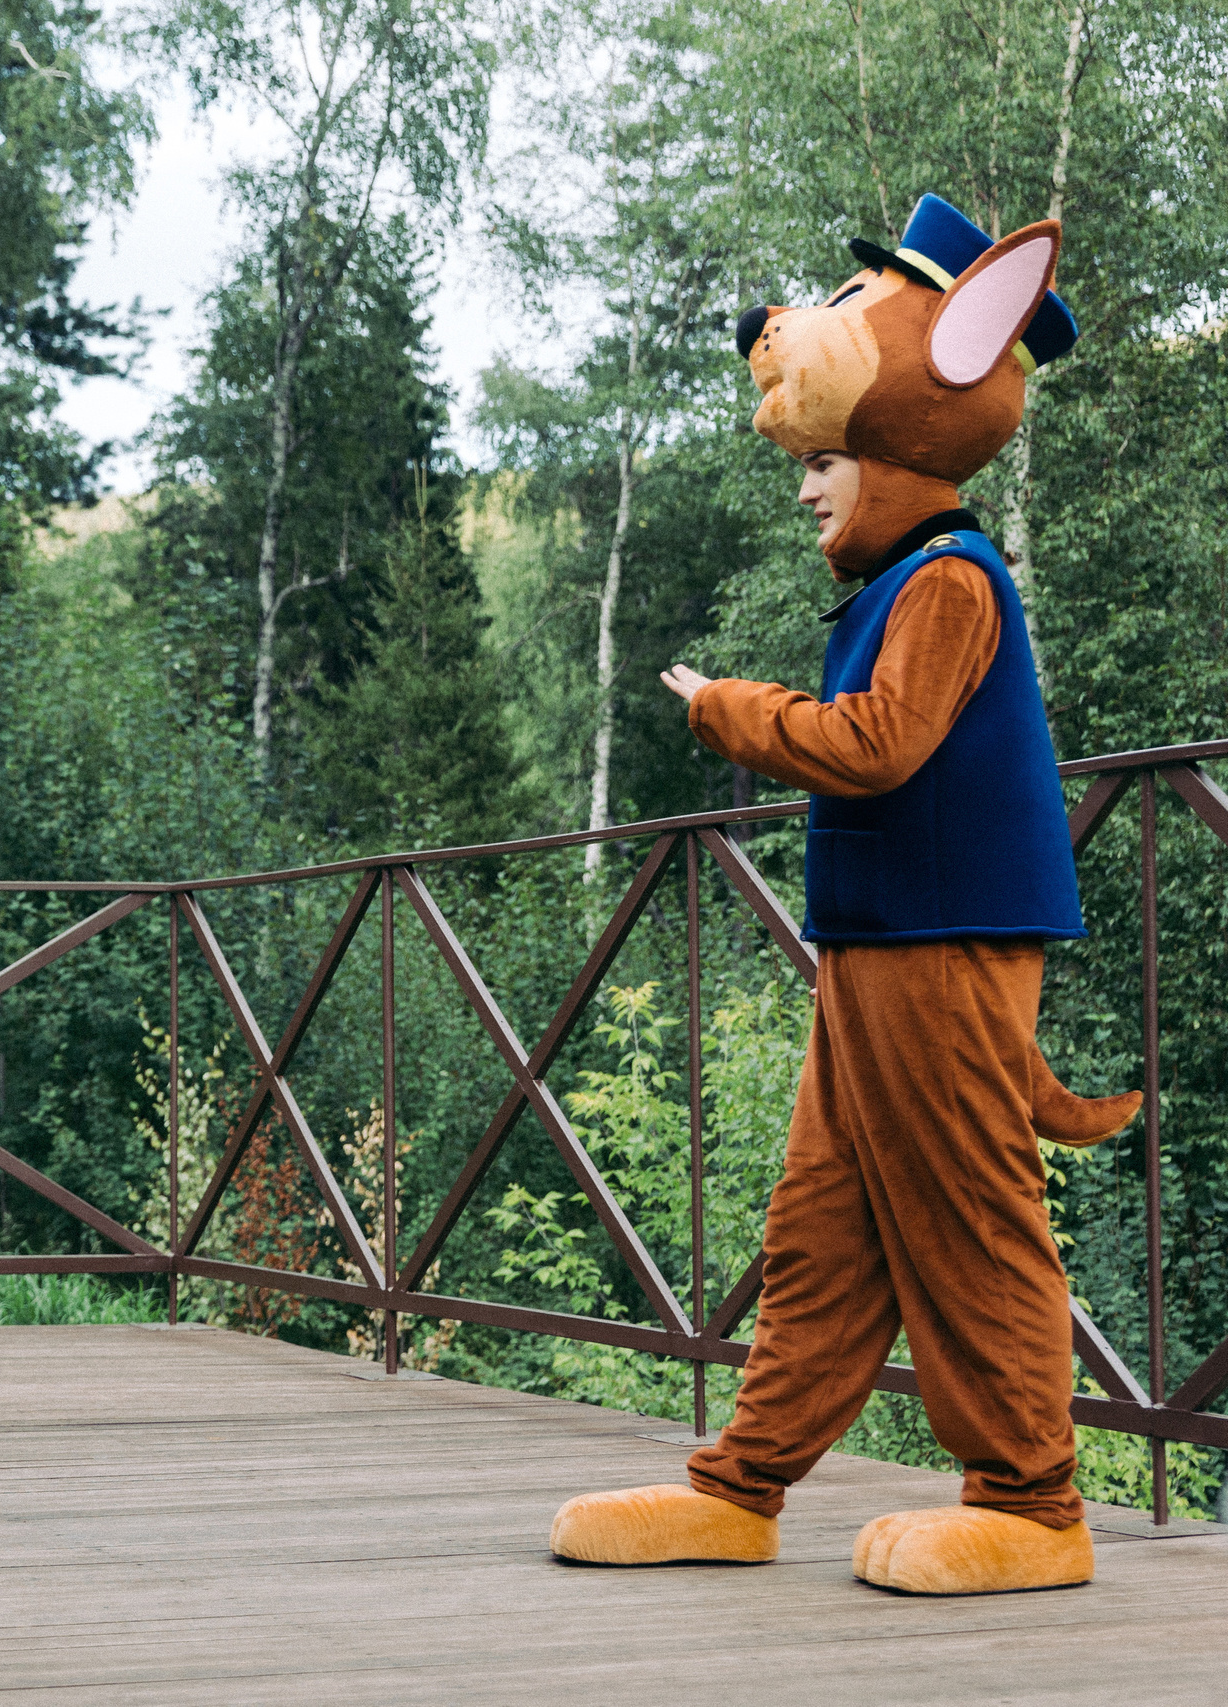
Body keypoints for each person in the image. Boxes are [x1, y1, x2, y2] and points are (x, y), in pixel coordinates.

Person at [549, 195, 1139, 1596]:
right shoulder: (898, 579)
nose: (807, 486)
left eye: (822, 461)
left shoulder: (949, 579)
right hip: (878, 947)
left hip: (943, 946)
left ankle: (1035, 1503)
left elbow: (877, 748)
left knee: (969, 1210)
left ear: (898, 443)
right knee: (823, 1223)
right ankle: (739, 1487)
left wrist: (736, 710)